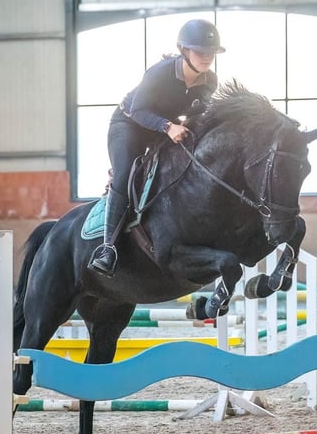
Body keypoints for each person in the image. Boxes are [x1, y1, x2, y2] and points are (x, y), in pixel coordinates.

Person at [88, 19, 225, 276]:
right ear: (184, 50)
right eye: (200, 51)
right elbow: (138, 110)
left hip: (163, 130)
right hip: (128, 125)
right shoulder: (160, 73)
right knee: (126, 170)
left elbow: (198, 114)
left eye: (211, 52)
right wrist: (167, 127)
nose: (207, 57)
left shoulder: (210, 81)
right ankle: (108, 249)